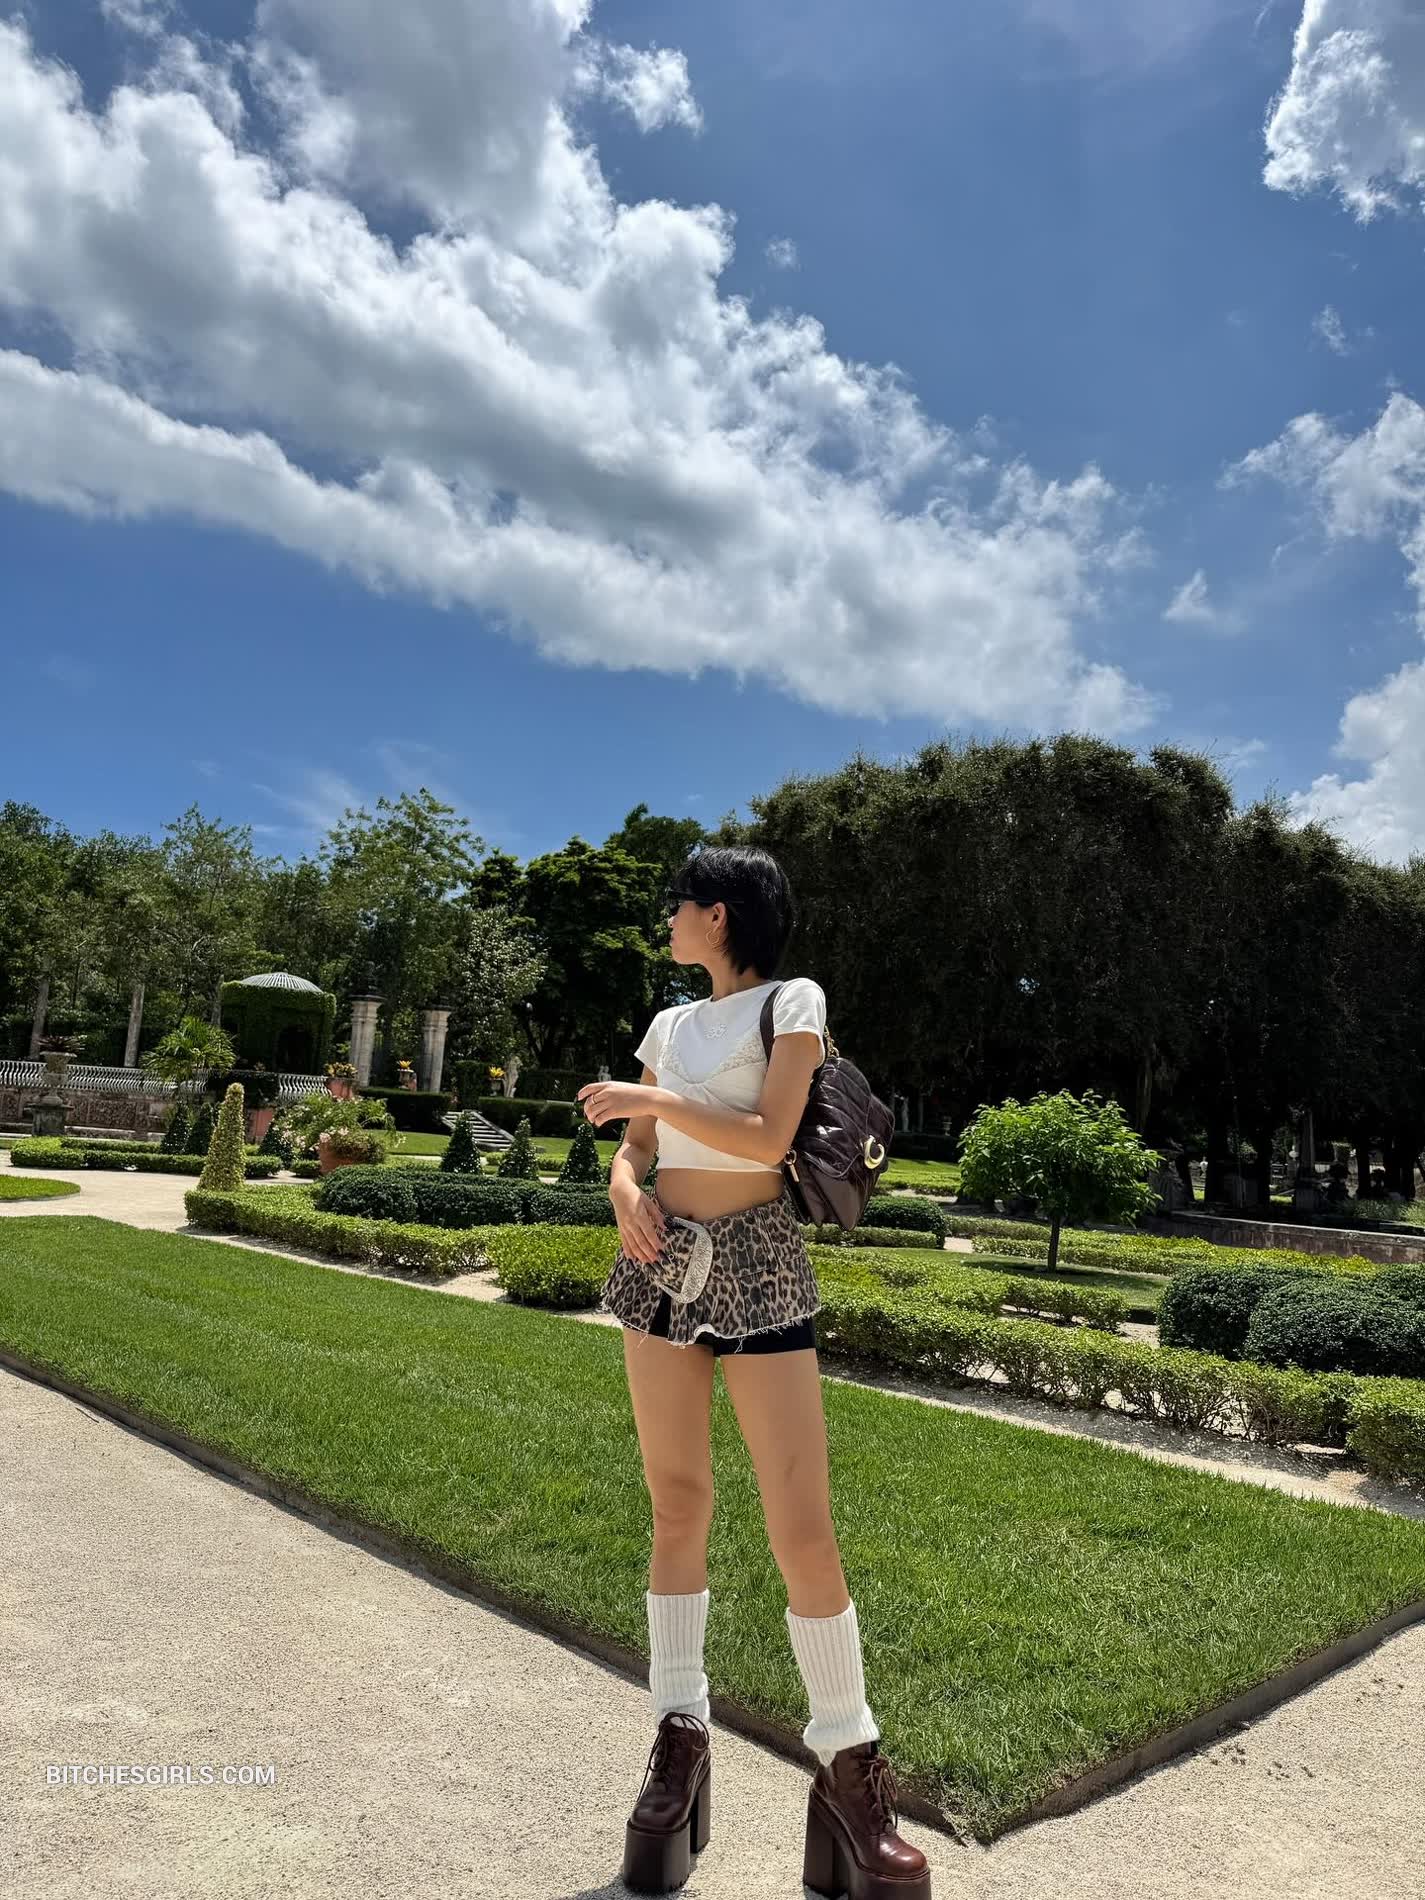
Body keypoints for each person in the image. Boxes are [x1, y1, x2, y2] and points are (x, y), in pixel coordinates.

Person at [577, 845, 929, 1898]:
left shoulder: (793, 1002)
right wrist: (623, 1187)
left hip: (761, 1261)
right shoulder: (669, 1026)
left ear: (719, 914)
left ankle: (850, 1768)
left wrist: (649, 1108)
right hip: (661, 1262)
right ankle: (677, 1739)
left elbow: (772, 1135)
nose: (669, 918)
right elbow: (637, 1148)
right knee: (675, 1504)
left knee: (800, 1523)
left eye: (678, 904)